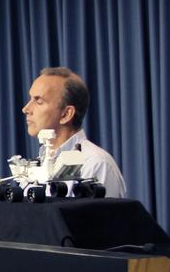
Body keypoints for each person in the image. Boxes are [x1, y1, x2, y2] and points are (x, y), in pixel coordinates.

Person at [21, 67, 126, 198]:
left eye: (39, 101)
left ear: (66, 114)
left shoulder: (96, 164)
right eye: (30, 99)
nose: (25, 109)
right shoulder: (38, 165)